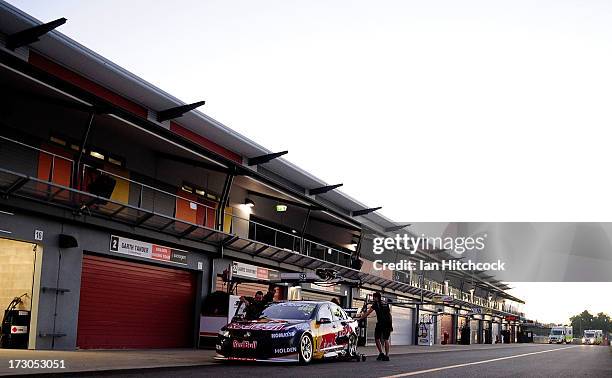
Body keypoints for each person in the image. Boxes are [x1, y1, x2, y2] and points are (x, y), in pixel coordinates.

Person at [356, 292, 393, 361]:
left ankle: (381, 353)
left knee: (377, 338)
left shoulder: (376, 304)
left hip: (381, 323)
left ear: (376, 297)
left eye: (374, 297)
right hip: (388, 323)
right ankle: (386, 355)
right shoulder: (385, 303)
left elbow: (368, 312)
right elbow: (389, 313)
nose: (373, 299)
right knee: (386, 339)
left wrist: (360, 318)